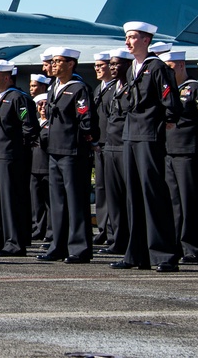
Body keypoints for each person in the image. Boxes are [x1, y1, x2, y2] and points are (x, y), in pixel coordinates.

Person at [110, 22, 181, 273]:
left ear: (146, 40)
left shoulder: (157, 67)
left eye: (132, 37)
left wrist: (169, 121)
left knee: (153, 194)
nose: (128, 42)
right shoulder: (132, 69)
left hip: (149, 134)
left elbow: (169, 99)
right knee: (134, 196)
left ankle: (164, 255)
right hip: (131, 134)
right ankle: (136, 254)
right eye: (126, 38)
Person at [39, 47, 98, 264]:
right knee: (58, 202)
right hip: (55, 150)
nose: (53, 65)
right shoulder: (55, 87)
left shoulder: (78, 88)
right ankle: (58, 246)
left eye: (58, 61)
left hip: (72, 151)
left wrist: (83, 142)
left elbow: (86, 119)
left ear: (70, 63)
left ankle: (79, 248)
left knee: (75, 201)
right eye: (52, 61)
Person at [0, 60, 38, 256]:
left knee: (10, 201)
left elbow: (29, 126)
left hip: (10, 156)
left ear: (7, 77)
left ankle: (15, 242)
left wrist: (18, 150)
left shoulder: (17, 98)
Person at [158, 50, 198, 263]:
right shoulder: (168, 90)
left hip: (188, 150)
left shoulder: (194, 88)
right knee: (173, 201)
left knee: (189, 201)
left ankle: (194, 247)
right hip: (170, 150)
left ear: (181, 65)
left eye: (169, 67)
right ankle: (176, 244)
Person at [100, 48, 134, 256]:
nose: (112, 67)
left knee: (129, 196)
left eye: (117, 64)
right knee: (114, 197)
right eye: (111, 64)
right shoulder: (113, 89)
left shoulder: (132, 87)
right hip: (110, 146)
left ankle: (131, 241)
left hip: (126, 146)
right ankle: (117, 240)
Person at [92, 52, 115, 245]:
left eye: (101, 65)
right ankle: (104, 230)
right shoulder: (99, 89)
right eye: (96, 66)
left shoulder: (116, 88)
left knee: (114, 190)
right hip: (100, 145)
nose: (97, 69)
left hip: (113, 144)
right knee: (101, 189)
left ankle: (114, 232)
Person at [31, 93, 51, 241]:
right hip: (34, 168)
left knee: (49, 203)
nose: (42, 108)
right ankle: (39, 228)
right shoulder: (35, 123)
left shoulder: (52, 124)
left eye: (45, 104)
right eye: (40, 105)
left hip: (47, 167)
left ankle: (50, 231)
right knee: (37, 202)